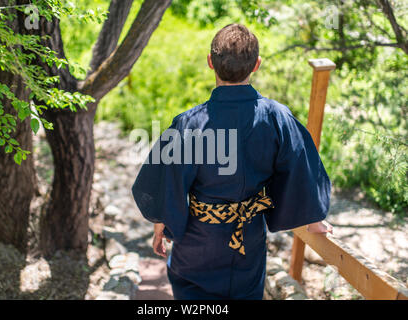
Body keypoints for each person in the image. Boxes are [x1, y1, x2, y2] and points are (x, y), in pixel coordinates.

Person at [131, 23, 332, 300]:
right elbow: (301, 166)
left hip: (197, 244)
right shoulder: (277, 118)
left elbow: (166, 181)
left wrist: (161, 223)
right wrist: (314, 218)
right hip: (247, 244)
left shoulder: (189, 123)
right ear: (257, 64)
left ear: (210, 62)